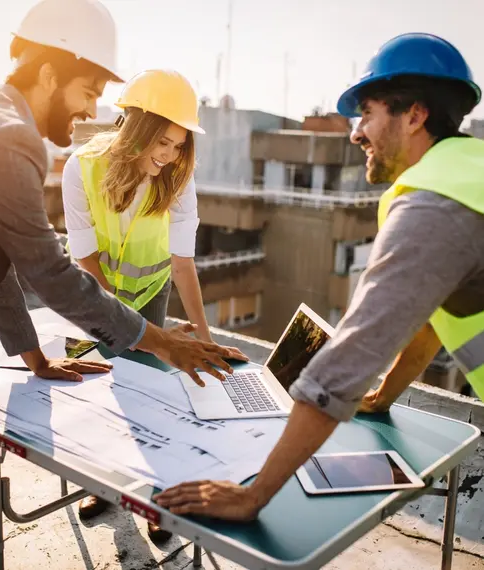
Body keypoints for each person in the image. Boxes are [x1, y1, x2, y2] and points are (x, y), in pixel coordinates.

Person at [0, 0, 246, 567]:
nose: (95, 108)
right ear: (48, 74)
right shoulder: (5, 138)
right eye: (89, 90)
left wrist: (34, 359)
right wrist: (163, 341)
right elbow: (52, 273)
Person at [155, 32, 484, 520]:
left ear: (414, 115)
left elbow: (352, 354)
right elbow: (434, 320)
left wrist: (253, 494)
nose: (355, 134)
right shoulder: (469, 175)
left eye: (367, 114)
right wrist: (383, 397)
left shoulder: (434, 204)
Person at [62, 69, 212, 537]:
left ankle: (160, 499)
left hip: (150, 293)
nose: (168, 156)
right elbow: (85, 257)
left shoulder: (178, 178)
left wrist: (203, 340)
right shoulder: (80, 168)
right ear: (136, 127)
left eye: (178, 145)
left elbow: (183, 264)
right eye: (162, 142)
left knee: (153, 392)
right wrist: (119, 327)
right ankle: (106, 484)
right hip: (94, 290)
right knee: (104, 389)